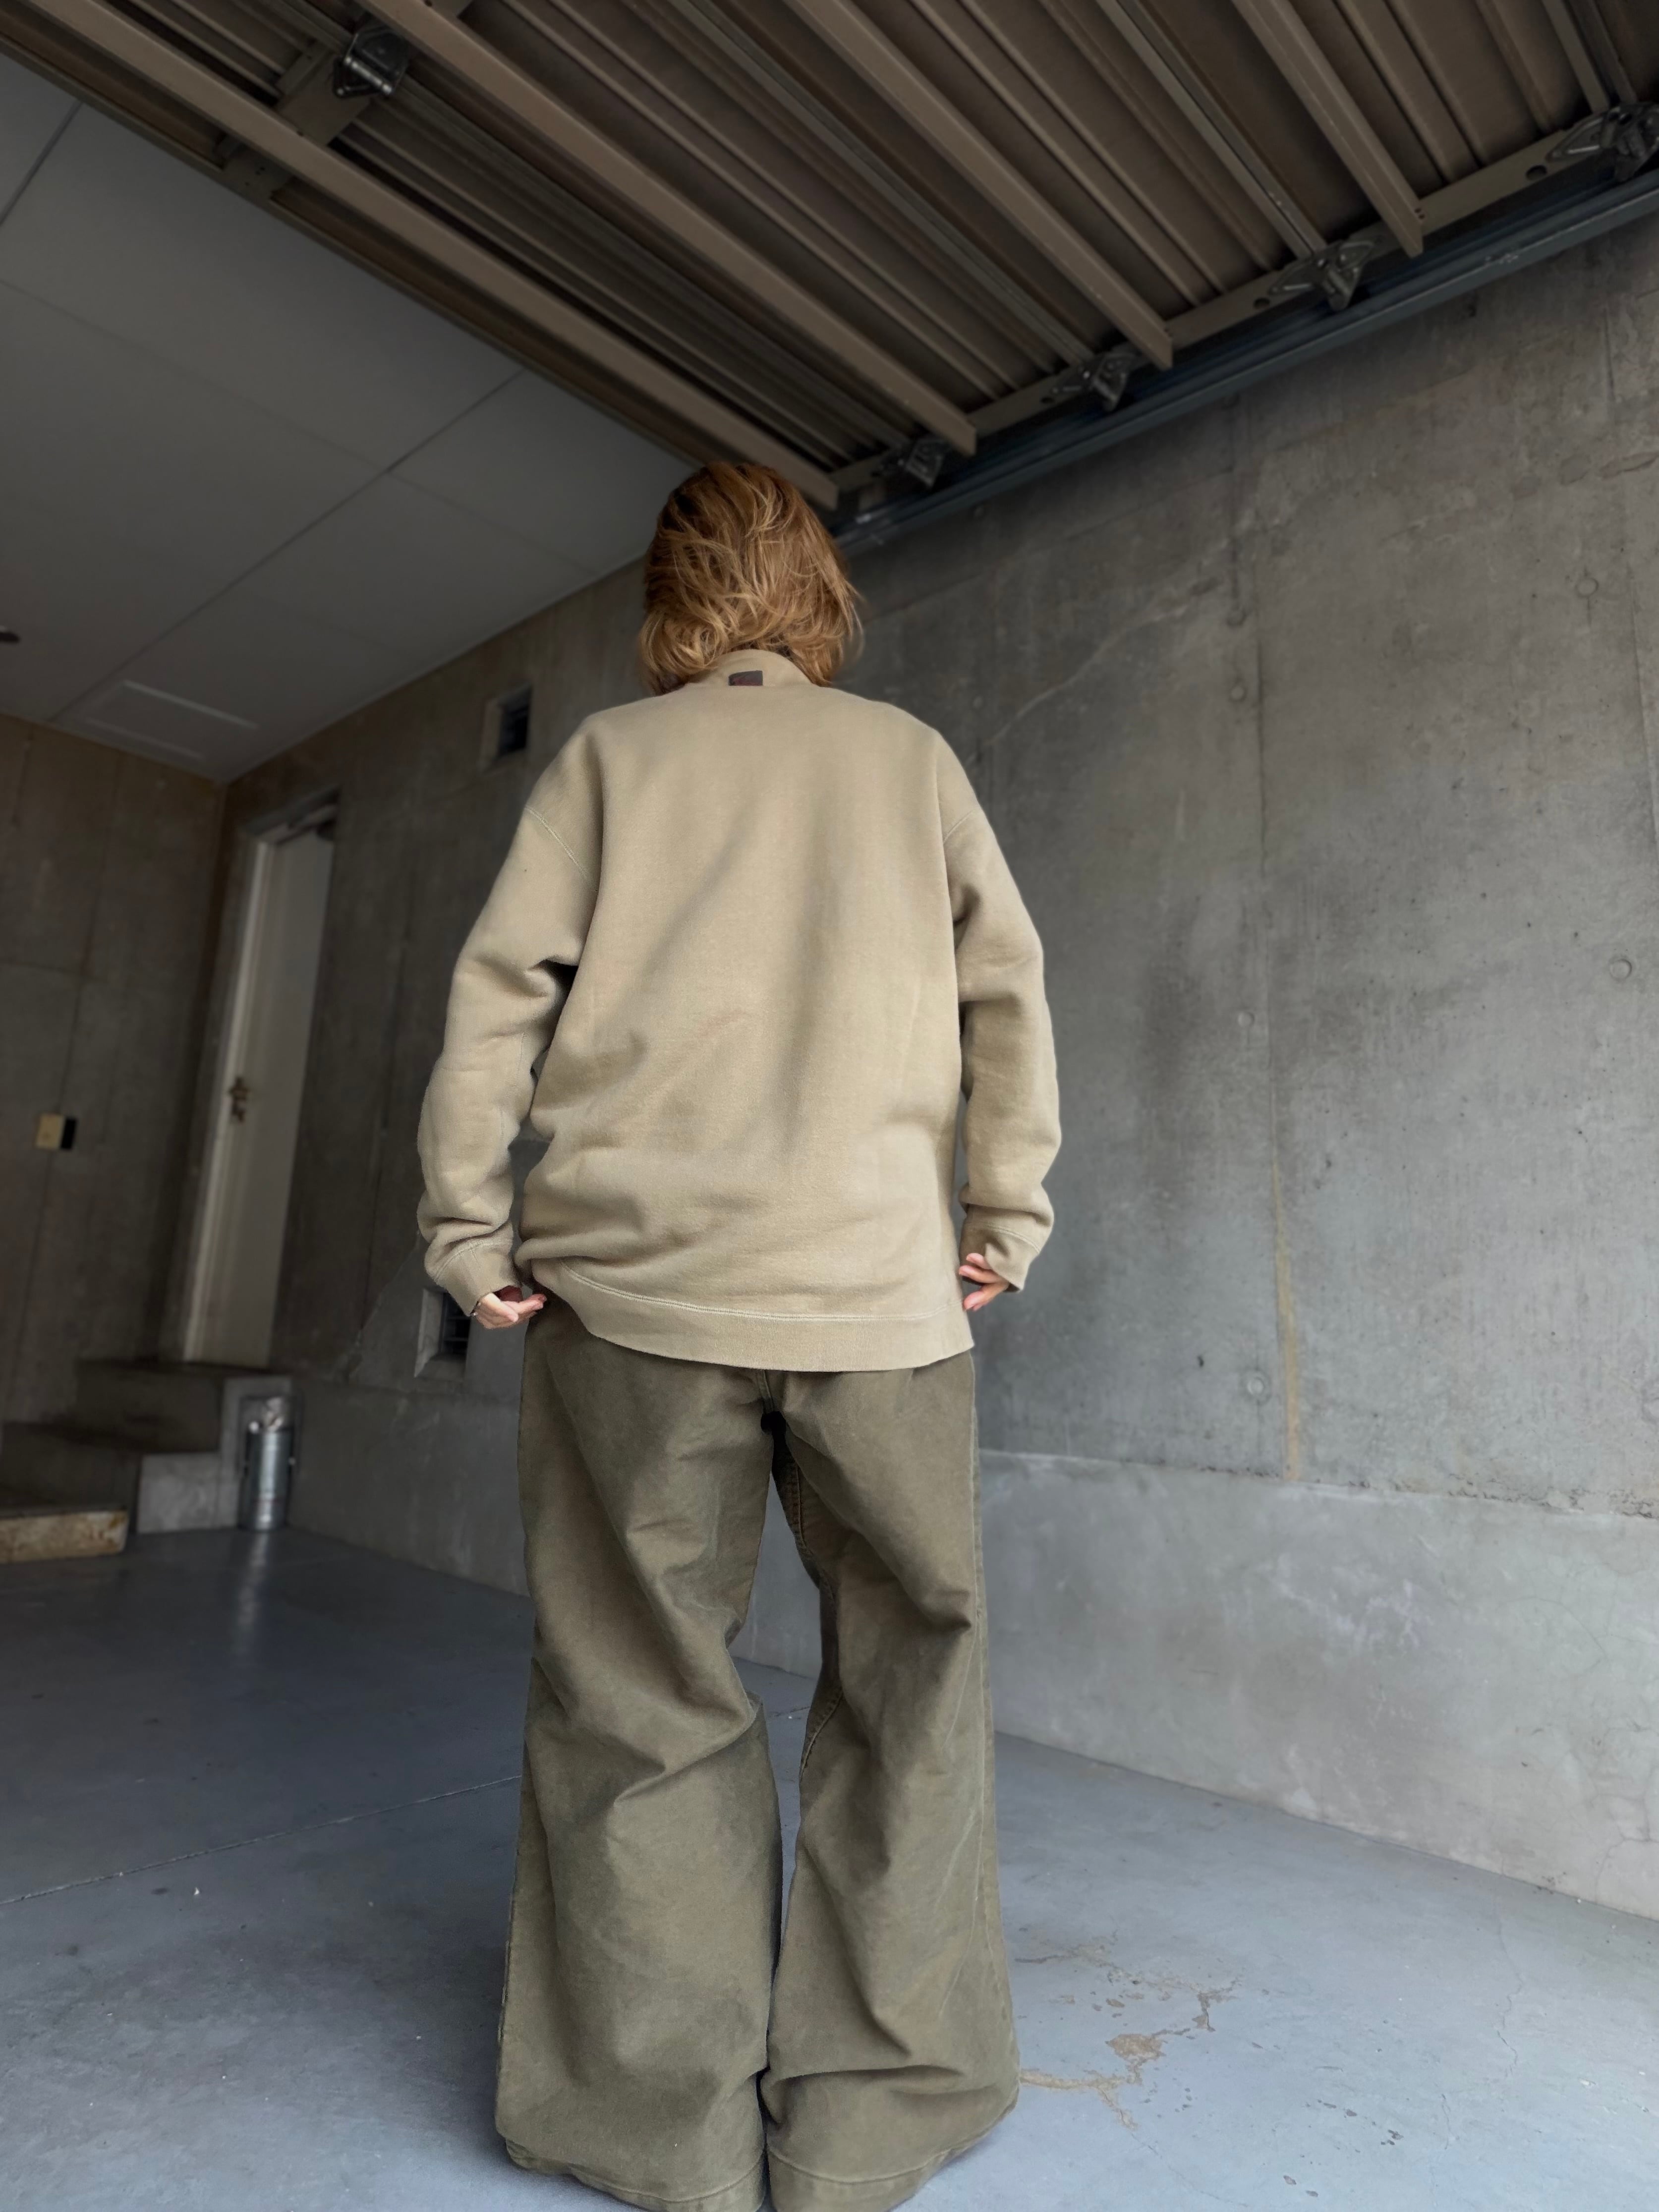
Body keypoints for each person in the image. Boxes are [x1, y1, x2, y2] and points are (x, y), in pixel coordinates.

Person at [416, 461, 1060, 2212]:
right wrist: (999, 1217)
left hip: (631, 1302)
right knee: (912, 1686)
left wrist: (468, 1229)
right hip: (877, 1303)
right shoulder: (908, 762)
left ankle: (661, 2131)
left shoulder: (608, 763)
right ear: (820, 593)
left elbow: (497, 1004)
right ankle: (872, 2120)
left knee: (637, 1695)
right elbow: (1006, 991)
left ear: (670, 600)